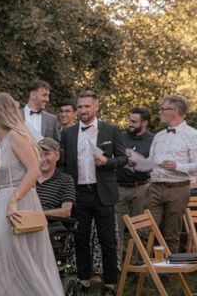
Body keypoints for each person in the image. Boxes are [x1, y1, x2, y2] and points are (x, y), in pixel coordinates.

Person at [0, 92, 63, 295]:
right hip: (3, 202)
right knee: (9, 260)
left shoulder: (16, 136)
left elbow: (34, 170)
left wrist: (13, 201)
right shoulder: (0, 141)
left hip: (19, 202)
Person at [60, 90, 126, 296]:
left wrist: (107, 162)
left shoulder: (110, 130)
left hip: (102, 193)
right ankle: (84, 280)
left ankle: (110, 285)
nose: (83, 110)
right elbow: (62, 165)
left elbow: (123, 159)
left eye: (87, 106)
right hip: (79, 194)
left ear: (96, 107)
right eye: (80, 107)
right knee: (80, 239)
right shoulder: (68, 133)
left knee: (108, 240)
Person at [146, 95, 197, 253]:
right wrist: (137, 163)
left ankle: (168, 274)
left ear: (175, 111)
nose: (159, 112)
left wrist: (177, 166)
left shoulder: (192, 135)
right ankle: (138, 270)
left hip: (178, 189)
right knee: (145, 230)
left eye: (163, 109)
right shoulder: (158, 136)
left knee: (171, 233)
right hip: (154, 188)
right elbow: (150, 161)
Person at [115, 107, 154, 246]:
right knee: (115, 229)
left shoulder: (152, 140)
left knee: (141, 229)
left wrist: (140, 161)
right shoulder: (120, 137)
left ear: (144, 123)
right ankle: (117, 265)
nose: (130, 124)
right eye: (129, 120)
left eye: (134, 122)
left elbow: (155, 164)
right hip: (119, 187)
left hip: (141, 188)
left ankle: (138, 264)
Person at [36, 137, 76, 217]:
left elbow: (66, 211)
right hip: (25, 225)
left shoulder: (66, 180)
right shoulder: (28, 179)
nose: (42, 159)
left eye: (47, 154)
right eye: (39, 154)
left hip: (51, 225)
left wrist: (37, 215)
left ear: (57, 156)